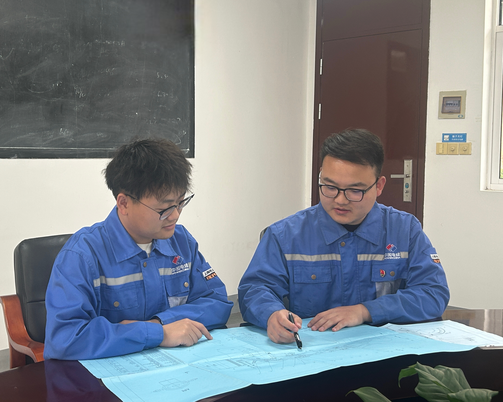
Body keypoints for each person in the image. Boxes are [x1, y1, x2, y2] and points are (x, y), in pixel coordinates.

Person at [238, 129, 449, 345]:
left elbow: (432, 293)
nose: (340, 200)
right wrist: (271, 314)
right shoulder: (285, 235)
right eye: (330, 187)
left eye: (355, 190)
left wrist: (365, 311)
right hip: (312, 352)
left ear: (379, 186)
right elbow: (254, 290)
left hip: (385, 350)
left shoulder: (405, 230)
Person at [44, 138, 233, 360]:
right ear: (124, 203)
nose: (175, 215)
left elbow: (217, 302)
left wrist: (158, 324)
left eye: (181, 202)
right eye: (164, 208)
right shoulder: (82, 255)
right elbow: (65, 339)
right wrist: (158, 334)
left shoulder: (181, 242)